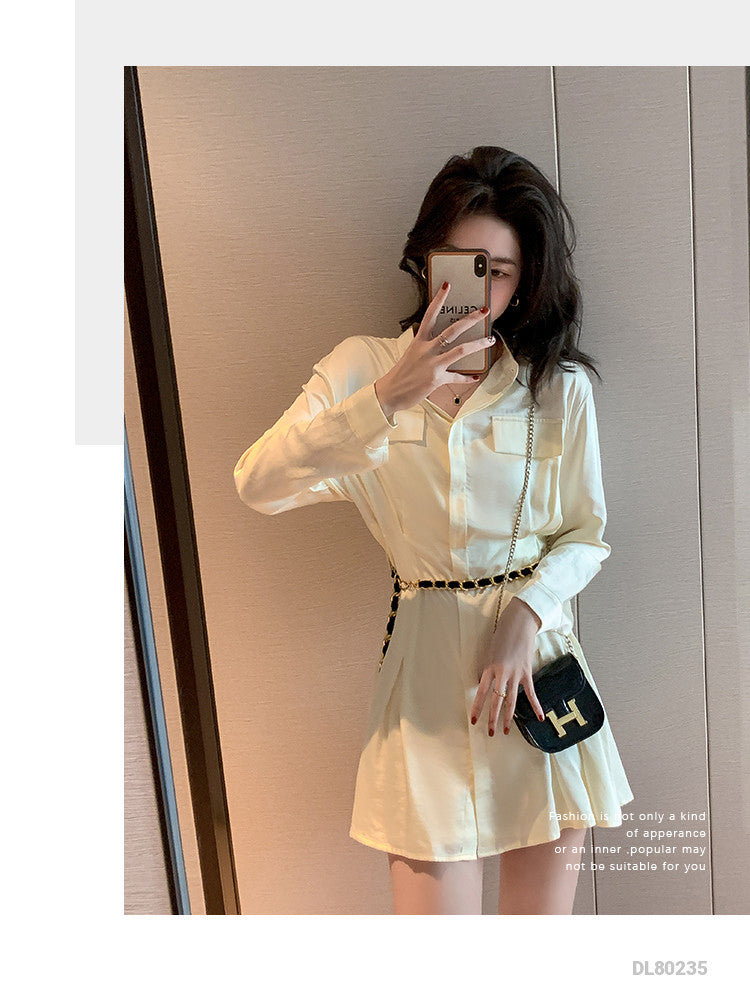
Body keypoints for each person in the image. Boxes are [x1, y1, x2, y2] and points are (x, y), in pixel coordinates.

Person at [233, 146, 634, 915]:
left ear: (526, 282)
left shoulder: (558, 389)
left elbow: (586, 534)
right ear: (424, 261)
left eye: (500, 270)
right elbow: (258, 484)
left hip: (534, 678)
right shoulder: (361, 369)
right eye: (460, 264)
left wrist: (525, 613)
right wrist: (386, 399)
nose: (476, 289)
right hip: (422, 696)